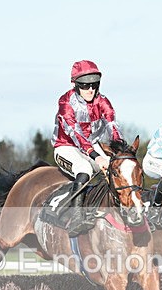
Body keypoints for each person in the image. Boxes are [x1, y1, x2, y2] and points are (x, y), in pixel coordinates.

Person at [52, 60, 122, 236]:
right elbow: (76, 135)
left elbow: (112, 126)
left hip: (93, 146)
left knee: (118, 168)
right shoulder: (66, 102)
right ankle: (76, 219)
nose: (90, 89)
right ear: (76, 85)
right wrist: (94, 155)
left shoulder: (103, 101)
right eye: (85, 86)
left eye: (94, 85)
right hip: (66, 147)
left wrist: (120, 150)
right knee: (84, 168)